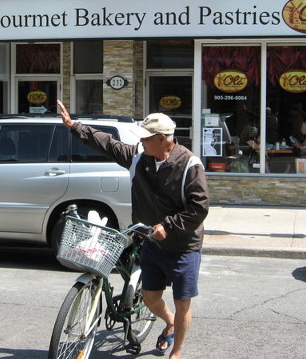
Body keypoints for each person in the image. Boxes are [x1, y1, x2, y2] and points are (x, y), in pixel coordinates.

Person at [57, 100, 209, 358]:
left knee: (183, 302)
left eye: (146, 139)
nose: (140, 143)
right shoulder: (140, 159)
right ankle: (169, 322)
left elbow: (199, 207)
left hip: (183, 246)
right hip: (152, 242)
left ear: (162, 139)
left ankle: (177, 351)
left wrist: (168, 227)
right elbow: (108, 144)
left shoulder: (190, 165)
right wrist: (74, 126)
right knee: (150, 298)